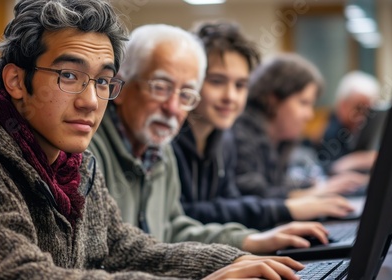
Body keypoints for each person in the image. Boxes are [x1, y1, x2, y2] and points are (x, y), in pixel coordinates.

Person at [0, 1, 306, 279]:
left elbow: (120, 246)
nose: (91, 101)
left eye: (101, 80)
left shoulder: (70, 161)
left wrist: (240, 260)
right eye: (69, 76)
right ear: (15, 80)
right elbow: (20, 274)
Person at [88, 23, 331, 255]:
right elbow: (109, 258)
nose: (173, 108)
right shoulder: (87, 154)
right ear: (118, 86)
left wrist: (250, 241)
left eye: (185, 94)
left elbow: (171, 229)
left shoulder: (161, 149)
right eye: (160, 87)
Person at [172, 21, 356, 231]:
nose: (230, 96)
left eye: (240, 85)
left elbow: (232, 206)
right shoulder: (173, 142)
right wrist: (288, 209)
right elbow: (184, 216)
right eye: (216, 81)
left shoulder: (222, 139)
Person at [232, 54, 369, 199]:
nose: (309, 115)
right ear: (273, 99)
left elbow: (277, 187)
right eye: (303, 103)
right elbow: (253, 198)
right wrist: (314, 192)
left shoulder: (281, 142)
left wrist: (318, 186)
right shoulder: (240, 136)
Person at [316, 70, 381, 174]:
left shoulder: (360, 128)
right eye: (358, 108)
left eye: (368, 111)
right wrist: (358, 160)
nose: (363, 117)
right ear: (343, 105)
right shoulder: (328, 130)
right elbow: (327, 168)